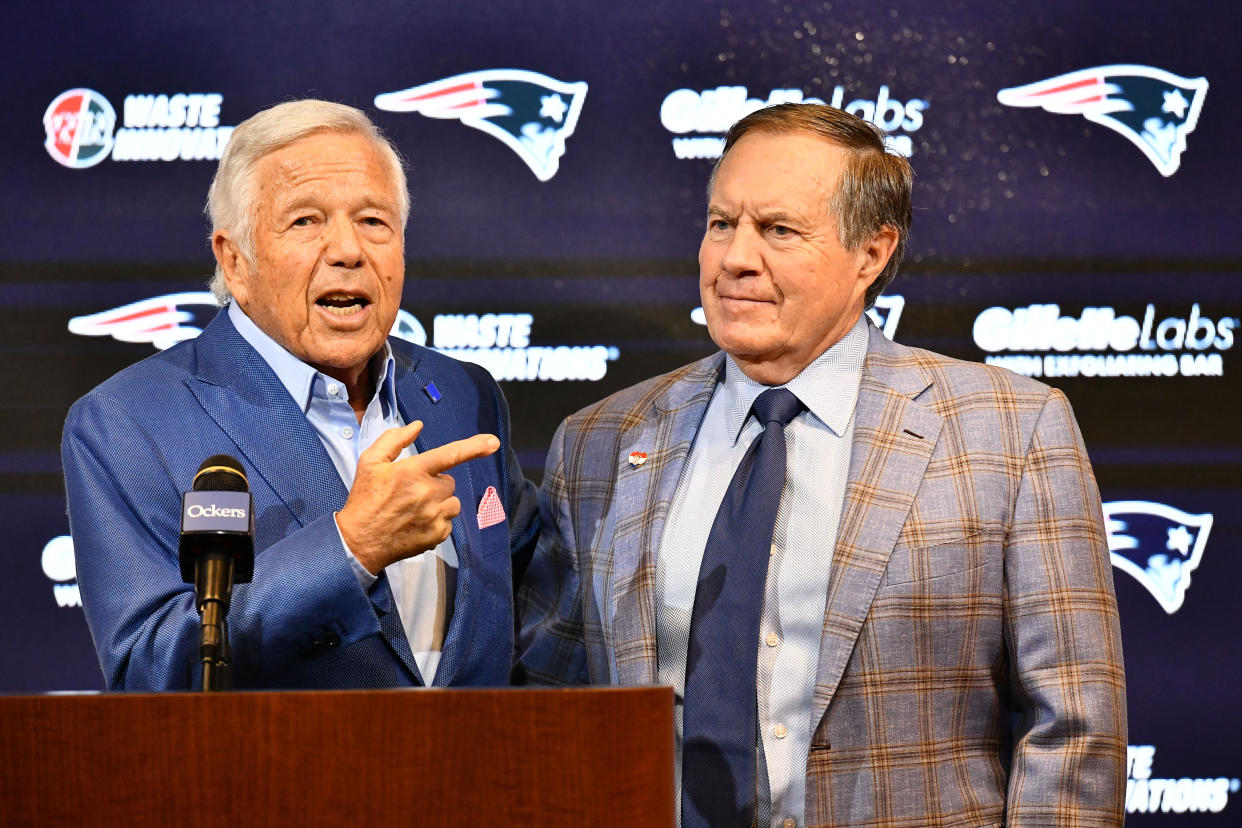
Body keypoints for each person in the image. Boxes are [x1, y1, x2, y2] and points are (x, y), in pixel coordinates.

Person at [516, 103, 1126, 827]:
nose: (735, 258)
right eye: (721, 224)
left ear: (871, 253)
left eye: (777, 230)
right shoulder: (601, 441)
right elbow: (552, 716)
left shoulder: (1011, 431)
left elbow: (1074, 731)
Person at [63, 99, 537, 690]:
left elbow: (537, 601)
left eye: (373, 221)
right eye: (306, 221)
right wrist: (349, 548)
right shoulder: (127, 424)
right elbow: (148, 671)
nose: (347, 250)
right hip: (279, 780)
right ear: (234, 261)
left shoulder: (464, 396)